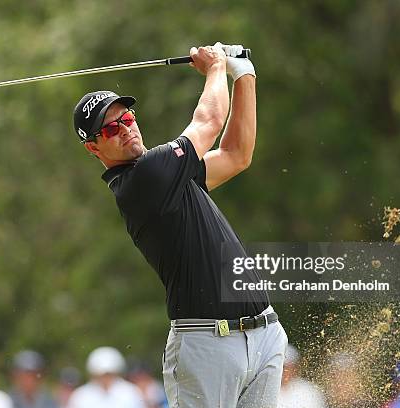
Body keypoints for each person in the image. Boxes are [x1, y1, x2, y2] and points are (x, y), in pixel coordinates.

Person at [72, 42, 287, 408]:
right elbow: (209, 122)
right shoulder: (144, 179)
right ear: (94, 148)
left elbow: (237, 155)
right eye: (110, 130)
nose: (125, 129)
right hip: (207, 345)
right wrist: (217, 66)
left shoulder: (170, 175)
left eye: (127, 119)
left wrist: (244, 75)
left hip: (263, 333)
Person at [67, 346, 145, 408]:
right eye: (101, 375)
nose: (105, 379)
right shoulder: (80, 396)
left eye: (109, 375)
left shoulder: (131, 392)